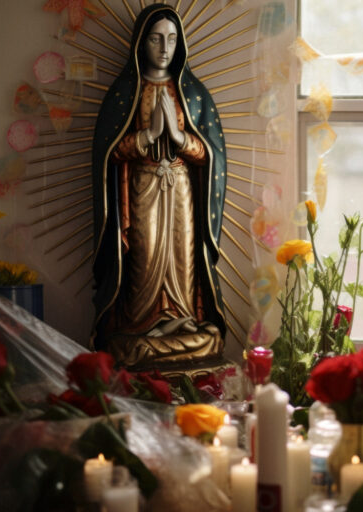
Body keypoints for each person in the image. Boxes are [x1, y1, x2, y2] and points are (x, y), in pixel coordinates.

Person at [91, 4, 227, 368]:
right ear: (141, 43)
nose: (164, 48)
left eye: (171, 39)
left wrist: (179, 139)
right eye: (155, 39)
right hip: (142, 187)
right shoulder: (125, 93)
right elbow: (108, 153)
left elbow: (210, 154)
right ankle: (142, 326)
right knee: (145, 257)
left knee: (183, 261)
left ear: (180, 44)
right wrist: (148, 136)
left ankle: (181, 319)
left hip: (181, 187)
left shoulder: (193, 93)